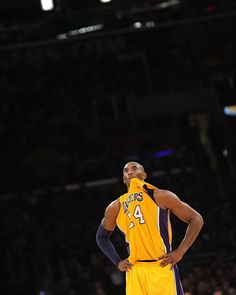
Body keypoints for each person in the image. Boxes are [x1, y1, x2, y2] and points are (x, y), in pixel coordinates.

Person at [96, 161, 204, 295]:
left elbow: (196, 219)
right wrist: (117, 261)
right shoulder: (115, 207)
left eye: (134, 168)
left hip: (161, 266)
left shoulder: (160, 196)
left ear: (144, 175)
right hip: (135, 271)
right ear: (124, 179)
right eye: (126, 170)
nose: (130, 172)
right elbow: (101, 237)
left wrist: (180, 251)